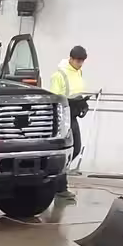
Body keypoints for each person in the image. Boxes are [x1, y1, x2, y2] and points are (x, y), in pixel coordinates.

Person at [48, 45, 88, 201]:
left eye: (82, 61)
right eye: (78, 61)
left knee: (75, 148)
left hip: (73, 115)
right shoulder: (59, 75)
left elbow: (77, 92)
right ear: (70, 59)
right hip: (63, 117)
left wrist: (82, 104)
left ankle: (57, 182)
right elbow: (55, 98)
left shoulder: (78, 72)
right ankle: (59, 186)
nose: (80, 64)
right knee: (65, 151)